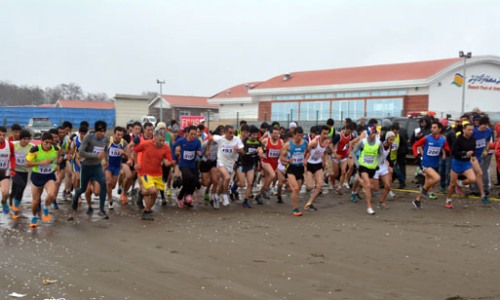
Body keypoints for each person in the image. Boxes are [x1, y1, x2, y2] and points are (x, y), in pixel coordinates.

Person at [69, 120, 110, 221]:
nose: (102, 133)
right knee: (83, 189)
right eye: (100, 130)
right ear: (96, 130)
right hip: (87, 166)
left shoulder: (105, 140)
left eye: (104, 131)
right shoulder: (89, 138)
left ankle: (101, 209)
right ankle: (76, 197)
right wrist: (96, 155)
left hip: (97, 167)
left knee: (103, 185)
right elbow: (81, 153)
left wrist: (106, 160)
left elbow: (105, 151)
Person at [131, 128, 173, 220]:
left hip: (158, 174)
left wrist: (169, 162)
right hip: (145, 172)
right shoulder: (147, 144)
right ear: (155, 137)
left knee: (155, 194)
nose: (162, 142)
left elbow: (169, 160)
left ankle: (146, 210)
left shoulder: (166, 147)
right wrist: (136, 163)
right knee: (153, 191)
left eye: (163, 140)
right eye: (160, 140)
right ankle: (142, 194)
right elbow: (135, 150)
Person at [412, 121, 449, 209]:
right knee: (437, 178)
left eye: (434, 127)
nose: (432, 129)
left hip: (435, 164)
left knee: (427, 184)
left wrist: (446, 153)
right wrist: (416, 156)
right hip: (426, 163)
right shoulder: (427, 138)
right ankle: (424, 190)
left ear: (439, 129)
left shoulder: (442, 140)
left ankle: (417, 200)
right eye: (432, 127)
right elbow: (415, 145)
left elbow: (447, 148)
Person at [25, 132, 58, 228]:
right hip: (37, 176)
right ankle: (34, 216)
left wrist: (58, 164)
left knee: (51, 194)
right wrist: (41, 163)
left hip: (49, 176)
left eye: (50, 143)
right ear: (42, 141)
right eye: (46, 143)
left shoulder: (55, 149)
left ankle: (45, 207)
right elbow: (27, 164)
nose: (48, 145)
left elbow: (58, 157)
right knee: (35, 201)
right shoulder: (35, 150)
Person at [351, 124, 385, 215]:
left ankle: (358, 178)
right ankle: (369, 207)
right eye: (370, 134)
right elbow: (353, 152)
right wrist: (357, 164)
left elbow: (382, 154)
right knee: (367, 185)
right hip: (363, 166)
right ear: (368, 134)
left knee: (374, 188)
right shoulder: (363, 142)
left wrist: (378, 163)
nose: (372, 135)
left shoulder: (378, 143)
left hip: (373, 168)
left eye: (374, 133)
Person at [212, 125, 244, 208]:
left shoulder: (237, 139)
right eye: (230, 133)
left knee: (223, 183)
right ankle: (225, 196)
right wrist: (208, 148)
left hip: (230, 164)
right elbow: (210, 138)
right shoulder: (220, 139)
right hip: (221, 162)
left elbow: (243, 152)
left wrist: (238, 150)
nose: (232, 134)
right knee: (227, 177)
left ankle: (217, 196)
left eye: (233, 132)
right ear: (225, 133)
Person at [446, 123, 477, 208]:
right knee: (452, 185)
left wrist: (473, 156)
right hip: (457, 163)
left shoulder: (473, 140)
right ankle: (448, 200)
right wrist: (465, 153)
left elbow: (473, 150)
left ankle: (460, 183)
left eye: (472, 130)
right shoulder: (458, 139)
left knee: (473, 179)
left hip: (466, 163)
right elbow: (454, 152)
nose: (471, 132)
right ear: (464, 130)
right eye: (469, 130)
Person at [172, 125, 202, 208]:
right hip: (183, 164)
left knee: (195, 181)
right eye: (191, 134)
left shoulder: (197, 141)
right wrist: (173, 158)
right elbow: (174, 146)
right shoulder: (182, 141)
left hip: (192, 164)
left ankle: (186, 196)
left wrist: (199, 152)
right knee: (190, 178)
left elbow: (199, 149)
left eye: (195, 134)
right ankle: (182, 196)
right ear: (187, 133)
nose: (193, 136)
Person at [280, 126, 307, 217]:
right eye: (298, 135)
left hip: (300, 168)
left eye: (301, 136)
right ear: (294, 135)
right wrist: (287, 160)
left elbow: (308, 152)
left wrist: (305, 159)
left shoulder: (305, 143)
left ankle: (294, 201)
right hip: (291, 167)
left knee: (297, 189)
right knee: (295, 188)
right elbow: (281, 157)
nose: (300, 137)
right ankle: (295, 209)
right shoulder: (288, 145)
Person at [303, 125, 330, 211]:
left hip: (318, 164)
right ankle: (305, 181)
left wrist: (325, 162)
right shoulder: (314, 142)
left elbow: (325, 152)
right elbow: (306, 151)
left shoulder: (326, 142)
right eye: (324, 134)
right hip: (309, 164)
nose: (325, 136)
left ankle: (309, 203)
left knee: (319, 185)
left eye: (327, 134)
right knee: (310, 187)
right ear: (320, 133)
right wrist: (304, 163)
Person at [10, 130, 33, 219]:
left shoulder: (31, 147)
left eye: (28, 139)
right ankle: (13, 206)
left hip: (24, 171)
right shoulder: (14, 145)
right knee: (20, 185)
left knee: (20, 188)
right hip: (14, 170)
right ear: (20, 139)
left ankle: (15, 203)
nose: (26, 141)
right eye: (24, 139)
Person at [105, 127, 130, 209]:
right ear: (114, 134)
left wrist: (124, 153)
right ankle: (110, 200)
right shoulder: (108, 141)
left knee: (112, 186)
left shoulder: (124, 143)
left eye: (121, 135)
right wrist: (104, 160)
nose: (119, 136)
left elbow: (128, 157)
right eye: (118, 134)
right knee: (108, 183)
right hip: (108, 166)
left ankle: (108, 191)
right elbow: (103, 151)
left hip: (117, 167)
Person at [239, 126, 263, 208]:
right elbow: (244, 154)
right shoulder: (244, 142)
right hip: (241, 163)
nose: (255, 136)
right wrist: (255, 151)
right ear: (250, 134)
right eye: (254, 135)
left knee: (250, 182)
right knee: (241, 184)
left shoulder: (258, 142)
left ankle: (245, 201)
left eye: (257, 135)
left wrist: (261, 152)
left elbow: (263, 150)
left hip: (250, 165)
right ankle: (233, 188)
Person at [260, 127, 284, 203]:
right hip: (266, 161)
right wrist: (261, 151)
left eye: (278, 133)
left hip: (275, 162)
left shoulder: (281, 141)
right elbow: (258, 145)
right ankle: (267, 189)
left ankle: (259, 195)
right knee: (272, 175)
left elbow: (283, 152)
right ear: (271, 134)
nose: (276, 135)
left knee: (270, 178)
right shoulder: (266, 141)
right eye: (275, 133)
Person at [0, 126, 16, 215]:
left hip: (4, 172)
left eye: (3, 135)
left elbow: (13, 156)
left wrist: (12, 168)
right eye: (0, 135)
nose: (1, 137)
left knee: (5, 193)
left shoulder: (10, 145)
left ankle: (3, 202)